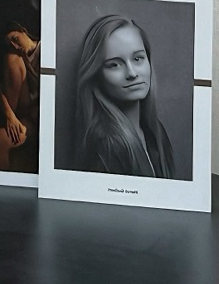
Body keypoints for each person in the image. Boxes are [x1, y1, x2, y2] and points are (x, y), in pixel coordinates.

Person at [70, 13, 176, 178]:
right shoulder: (106, 145)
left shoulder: (155, 132)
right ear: (96, 75)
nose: (132, 73)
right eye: (114, 64)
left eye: (138, 58)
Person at [0, 22, 39, 172]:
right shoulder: (18, 59)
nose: (15, 46)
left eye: (15, 39)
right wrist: (10, 116)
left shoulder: (46, 50)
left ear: (23, 31)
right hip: (24, 113)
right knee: (11, 59)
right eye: (10, 45)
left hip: (39, 117)